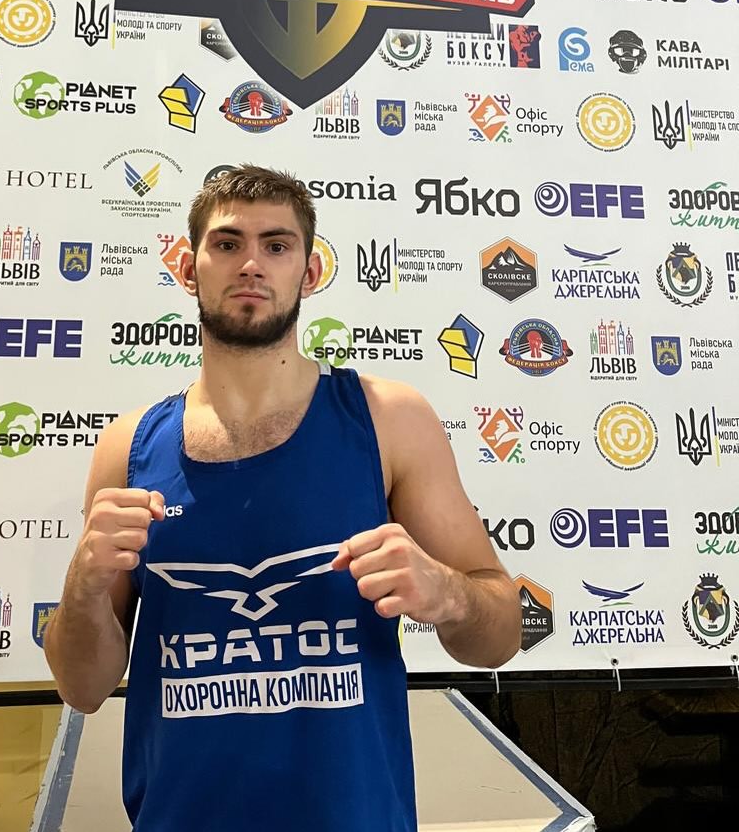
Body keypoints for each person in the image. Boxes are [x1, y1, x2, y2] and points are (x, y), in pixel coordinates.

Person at [44, 165, 520, 831]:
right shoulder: (128, 447)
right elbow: (83, 687)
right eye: (227, 243)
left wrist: (448, 594)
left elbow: (500, 637)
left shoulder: (388, 420)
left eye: (276, 245)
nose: (251, 264)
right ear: (187, 268)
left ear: (310, 271)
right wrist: (84, 585)